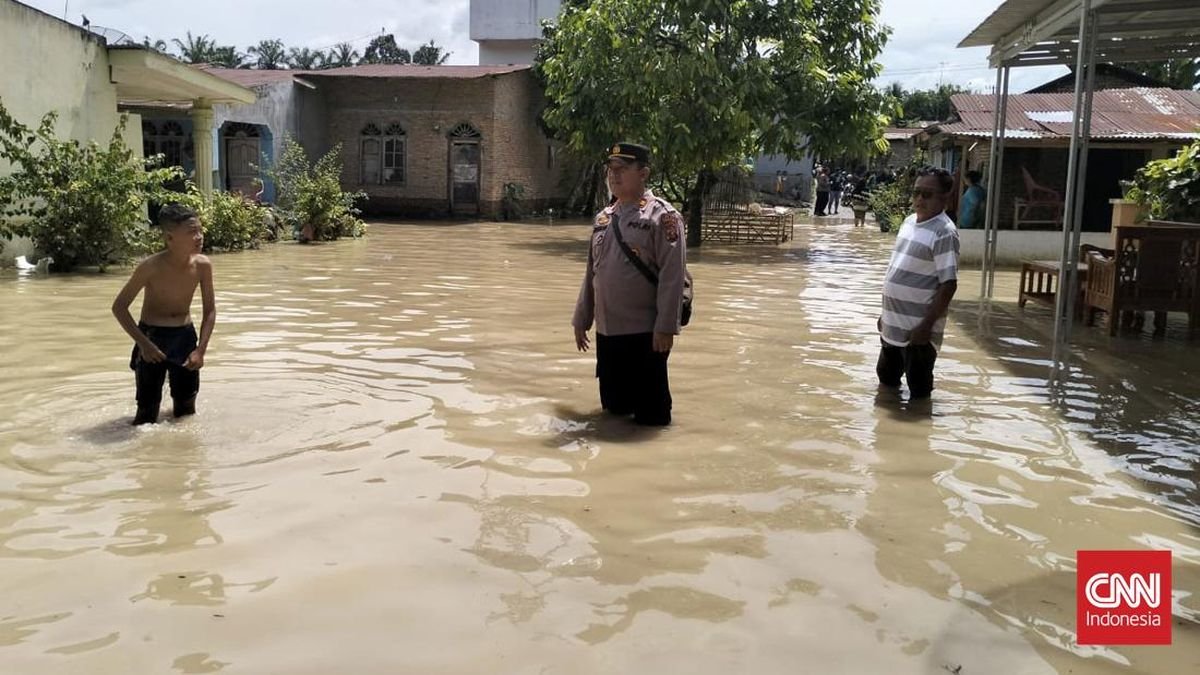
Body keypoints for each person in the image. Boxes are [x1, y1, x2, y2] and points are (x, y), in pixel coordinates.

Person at [572, 142, 687, 426]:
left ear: (644, 173)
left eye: (622, 169)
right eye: (610, 169)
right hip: (608, 332)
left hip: (645, 333)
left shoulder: (663, 217)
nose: (614, 175)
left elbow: (673, 276)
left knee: (651, 418)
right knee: (613, 411)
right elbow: (592, 273)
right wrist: (581, 318)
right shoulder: (603, 218)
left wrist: (665, 326)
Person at [112, 203, 216, 425]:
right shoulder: (150, 267)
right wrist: (144, 345)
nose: (199, 237)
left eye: (200, 230)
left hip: (185, 338)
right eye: (191, 232)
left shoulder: (203, 265)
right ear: (170, 238)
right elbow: (119, 307)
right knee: (146, 415)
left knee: (186, 413)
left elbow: (210, 311)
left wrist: (200, 350)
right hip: (152, 337)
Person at [876, 167, 959, 399]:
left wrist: (926, 326)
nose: (920, 199)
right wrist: (885, 315)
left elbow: (949, 284)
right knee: (886, 381)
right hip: (892, 326)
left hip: (918, 333)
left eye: (927, 194)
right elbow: (896, 269)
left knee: (919, 392)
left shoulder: (944, 233)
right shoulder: (909, 222)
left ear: (945, 197)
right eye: (916, 193)